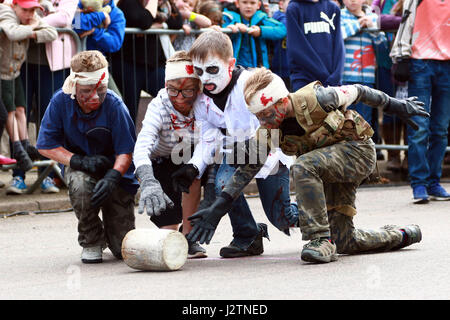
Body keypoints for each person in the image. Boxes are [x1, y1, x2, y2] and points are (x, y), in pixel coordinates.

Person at [187, 67, 428, 263]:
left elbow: (359, 90)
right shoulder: (270, 130)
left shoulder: (316, 98)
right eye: (258, 116)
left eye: (266, 114)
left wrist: (397, 105)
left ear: (282, 102)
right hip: (327, 168)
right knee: (345, 241)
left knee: (302, 166)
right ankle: (403, 235)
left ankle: (319, 239)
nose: (263, 121)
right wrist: (219, 206)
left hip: (357, 153)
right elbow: (247, 168)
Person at [171, 30, 299, 258]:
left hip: (269, 152)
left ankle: (327, 216)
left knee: (282, 217)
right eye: (199, 72)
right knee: (222, 182)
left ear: (231, 64)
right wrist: (193, 166)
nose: (205, 79)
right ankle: (247, 235)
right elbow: (208, 136)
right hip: (237, 154)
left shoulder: (250, 85)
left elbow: (272, 125)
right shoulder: (202, 99)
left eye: (212, 70)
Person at [36, 50, 137, 264]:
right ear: (74, 86)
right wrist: (77, 161)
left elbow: (126, 151)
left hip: (114, 170)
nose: (94, 97)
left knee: (122, 250)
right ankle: (91, 240)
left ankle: (113, 231)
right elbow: (45, 145)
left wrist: (113, 176)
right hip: (81, 165)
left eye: (100, 90)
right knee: (80, 185)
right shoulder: (60, 101)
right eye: (87, 91)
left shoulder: (114, 105)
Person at [133, 50, 208, 258]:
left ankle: (190, 236)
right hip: (161, 160)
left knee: (193, 173)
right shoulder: (159, 104)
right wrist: (147, 180)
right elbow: (142, 145)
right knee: (168, 228)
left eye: (188, 91)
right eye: (173, 90)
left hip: (193, 155)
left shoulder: (204, 103)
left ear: (198, 88)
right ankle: (174, 234)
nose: (180, 98)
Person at [390, 0, 450, 203]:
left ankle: (434, 181)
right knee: (419, 126)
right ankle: (419, 183)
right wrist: (402, 58)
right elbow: (405, 21)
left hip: (447, 65)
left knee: (440, 129)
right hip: (420, 62)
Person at [18, 0, 79, 194]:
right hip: (22, 62)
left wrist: (33, 22)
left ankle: (47, 175)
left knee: (48, 120)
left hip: (54, 66)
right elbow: (14, 9)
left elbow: (64, 17)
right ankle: (17, 175)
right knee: (20, 116)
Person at [0, 0, 58, 194]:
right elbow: (12, 32)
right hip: (2, 72)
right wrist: (32, 27)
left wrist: (32, 30)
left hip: (13, 71)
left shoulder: (31, 19)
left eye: (33, 9)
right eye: (25, 9)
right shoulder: (6, 13)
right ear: (15, 6)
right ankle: (17, 147)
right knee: (8, 112)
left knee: (20, 108)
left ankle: (24, 144)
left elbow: (52, 32)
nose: (29, 13)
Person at [113, 0, 183, 124]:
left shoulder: (164, 5)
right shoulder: (129, 3)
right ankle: (129, 142)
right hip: (128, 63)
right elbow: (143, 21)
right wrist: (153, 3)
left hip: (153, 64)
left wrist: (160, 24)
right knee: (130, 109)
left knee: (174, 96)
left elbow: (177, 22)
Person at [340, 0, 385, 134]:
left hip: (366, 79)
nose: (353, 1)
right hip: (344, 79)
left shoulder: (373, 17)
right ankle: (344, 154)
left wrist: (372, 27)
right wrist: (359, 24)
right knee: (343, 122)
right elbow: (338, 35)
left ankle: (362, 154)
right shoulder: (339, 15)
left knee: (364, 122)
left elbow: (382, 44)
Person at [372, 0, 405, 172]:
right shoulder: (380, 1)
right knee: (389, 109)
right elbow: (375, 18)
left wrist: (392, 19)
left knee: (408, 111)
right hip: (385, 63)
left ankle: (408, 156)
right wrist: (401, 20)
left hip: (408, 63)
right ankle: (393, 156)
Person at [286, 0, 345, 91]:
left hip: (332, 81)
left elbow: (339, 47)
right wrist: (323, 74)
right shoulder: (294, 8)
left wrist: (336, 75)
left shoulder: (333, 8)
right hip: (305, 80)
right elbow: (296, 48)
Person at [73, 0, 124, 96]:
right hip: (72, 65)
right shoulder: (80, 5)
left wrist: (94, 31)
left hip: (96, 66)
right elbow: (77, 26)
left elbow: (114, 43)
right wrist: (102, 15)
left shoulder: (116, 13)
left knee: (116, 101)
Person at [222, 0, 286, 69]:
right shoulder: (228, 18)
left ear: (258, 5)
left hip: (258, 68)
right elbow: (218, 33)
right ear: (237, 3)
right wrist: (231, 29)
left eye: (252, 3)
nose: (248, 6)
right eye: (244, 2)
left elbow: (282, 29)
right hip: (234, 68)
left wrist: (261, 31)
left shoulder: (262, 19)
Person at [270, 0, 290, 90]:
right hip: (281, 67)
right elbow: (285, 26)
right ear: (281, 4)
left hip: (292, 68)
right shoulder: (279, 16)